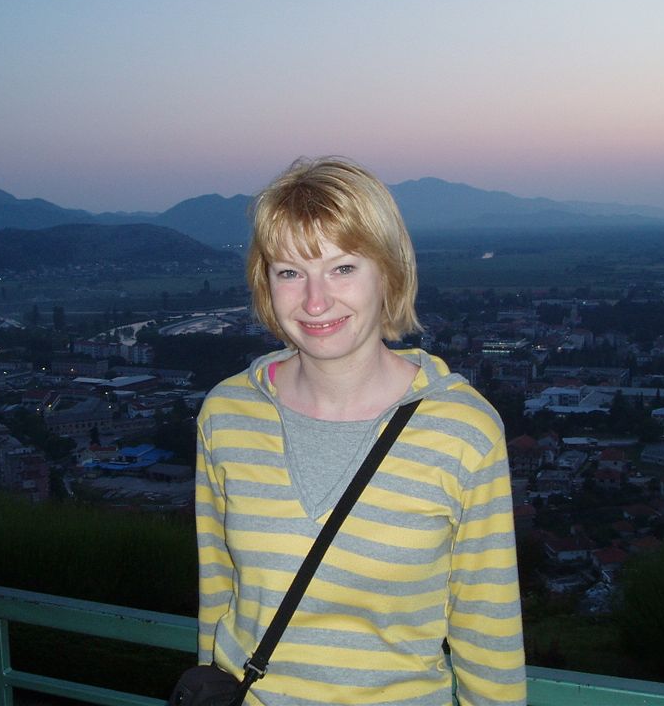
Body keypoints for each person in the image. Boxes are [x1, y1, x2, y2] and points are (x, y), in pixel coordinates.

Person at [195, 157, 526, 706]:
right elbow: (218, 592)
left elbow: (487, 632)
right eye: (289, 272)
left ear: (388, 274)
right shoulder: (227, 413)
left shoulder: (463, 430)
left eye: (342, 268)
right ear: (265, 283)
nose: (315, 301)